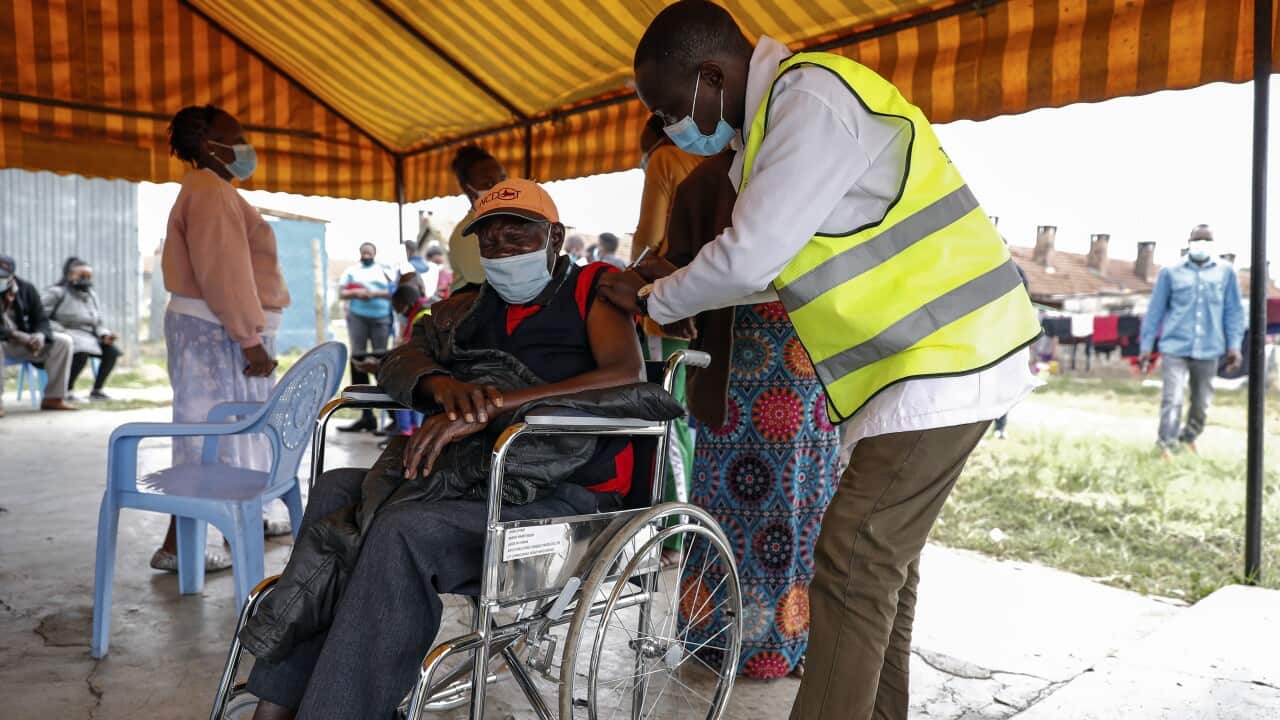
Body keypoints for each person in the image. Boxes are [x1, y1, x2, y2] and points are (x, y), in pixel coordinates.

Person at [598, 4, 1042, 718]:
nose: (670, 126)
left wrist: (653, 297)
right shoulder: (765, 139)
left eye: (669, 107)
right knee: (878, 567)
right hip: (906, 371)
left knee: (855, 559)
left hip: (949, 354)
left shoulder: (810, 100)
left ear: (712, 75)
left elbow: (751, 258)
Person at [244, 179, 645, 719]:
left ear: (554, 237)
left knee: (401, 530)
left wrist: (496, 405)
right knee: (339, 488)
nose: (503, 250)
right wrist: (442, 388)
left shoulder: (591, 289)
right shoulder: (466, 307)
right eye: (491, 241)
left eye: (518, 235)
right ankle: (281, 700)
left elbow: (624, 375)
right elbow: (401, 358)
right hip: (475, 479)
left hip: (563, 495)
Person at [658, 149, 841, 679]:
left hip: (803, 365)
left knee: (800, 505)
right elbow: (679, 268)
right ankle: (728, 640)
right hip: (735, 368)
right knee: (735, 507)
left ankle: (789, 640)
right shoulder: (704, 183)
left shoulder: (805, 163)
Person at [161, 103, 291, 571]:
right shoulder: (210, 191)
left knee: (231, 429)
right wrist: (247, 336)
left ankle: (239, 516)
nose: (244, 145)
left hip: (223, 328)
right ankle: (181, 545)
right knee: (207, 430)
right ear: (209, 145)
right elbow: (224, 272)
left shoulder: (216, 191)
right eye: (234, 136)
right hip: (218, 329)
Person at [633, 113, 703, 564]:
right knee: (691, 425)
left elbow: (647, 242)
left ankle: (675, 537)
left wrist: (629, 283)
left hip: (669, 315)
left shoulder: (666, 158)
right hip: (712, 309)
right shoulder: (723, 155)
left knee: (670, 425)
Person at [1140, 225, 1244, 456]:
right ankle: (1165, 445)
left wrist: (1234, 346)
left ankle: (1188, 438)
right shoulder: (1171, 272)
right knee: (1173, 398)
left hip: (1209, 347)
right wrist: (1146, 347)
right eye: (1197, 240)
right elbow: (1155, 311)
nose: (1201, 245)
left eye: (1206, 241)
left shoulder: (1225, 273)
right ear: (1189, 243)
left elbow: (1233, 311)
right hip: (1175, 346)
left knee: (1201, 403)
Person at [0, 255, 77, 414]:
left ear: (12, 276)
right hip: (4, 342)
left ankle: (53, 398)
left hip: (25, 343)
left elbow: (42, 320)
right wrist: (15, 335)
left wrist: (40, 336)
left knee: (63, 342)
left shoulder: (26, 289)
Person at [338, 242, 395, 434]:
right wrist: (355, 293)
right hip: (358, 317)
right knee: (358, 360)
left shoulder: (384, 270)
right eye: (363, 252)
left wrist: (375, 293)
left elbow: (395, 291)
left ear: (375, 253)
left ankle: (394, 416)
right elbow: (342, 292)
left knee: (382, 361)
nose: (366, 255)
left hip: (381, 318)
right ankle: (366, 415)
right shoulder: (352, 271)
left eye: (369, 252)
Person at [43, 257, 120, 400]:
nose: (86, 280)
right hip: (65, 334)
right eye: (82, 276)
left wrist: (104, 335)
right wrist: (60, 330)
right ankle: (67, 390)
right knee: (82, 351)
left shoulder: (91, 296)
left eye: (89, 276)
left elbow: (97, 322)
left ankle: (97, 390)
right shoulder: (56, 293)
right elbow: (41, 318)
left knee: (112, 352)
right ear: (69, 275)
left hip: (89, 336)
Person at [446, 145, 507, 294]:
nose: (500, 188)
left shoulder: (508, 222)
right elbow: (484, 279)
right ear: (468, 188)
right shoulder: (465, 234)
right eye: (489, 183)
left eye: (503, 179)